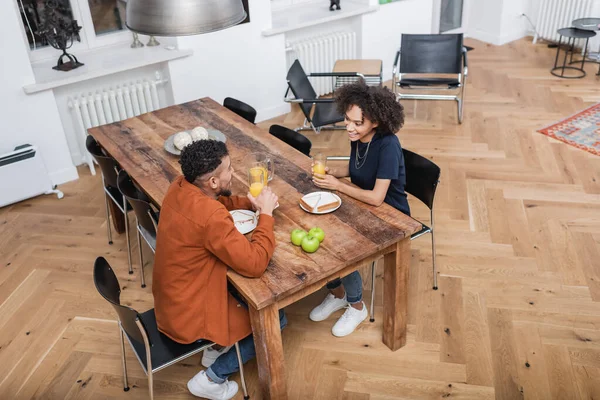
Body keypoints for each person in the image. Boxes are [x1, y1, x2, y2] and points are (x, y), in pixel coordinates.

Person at [152, 139, 284, 400]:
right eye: (229, 170)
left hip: (172, 300)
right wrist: (266, 215)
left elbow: (215, 205)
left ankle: (215, 347)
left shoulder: (180, 186)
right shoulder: (211, 217)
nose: (233, 173)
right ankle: (212, 378)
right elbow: (255, 264)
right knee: (276, 319)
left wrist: (248, 203)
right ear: (213, 182)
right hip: (191, 311)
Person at [311, 79, 409, 337]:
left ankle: (356, 306)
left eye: (357, 123)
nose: (349, 127)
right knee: (321, 229)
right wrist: (336, 173)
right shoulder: (358, 137)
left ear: (375, 122)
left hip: (391, 214)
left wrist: (337, 186)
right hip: (363, 204)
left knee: (340, 242)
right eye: (347, 119)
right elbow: (357, 169)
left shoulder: (388, 146)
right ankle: (339, 294)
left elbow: (378, 197)